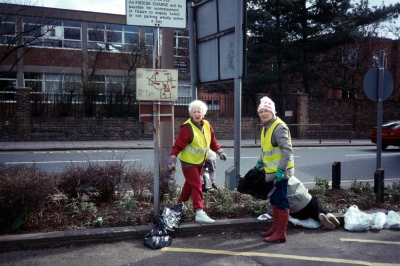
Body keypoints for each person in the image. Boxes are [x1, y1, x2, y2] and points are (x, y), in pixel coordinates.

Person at [168, 100, 227, 224]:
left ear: (203, 113)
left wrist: (220, 151)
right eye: (194, 111)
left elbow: (212, 142)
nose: (197, 114)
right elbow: (178, 145)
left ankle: (179, 205)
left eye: (199, 111)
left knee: (190, 185)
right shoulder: (187, 128)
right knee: (197, 184)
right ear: (190, 114)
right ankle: (199, 212)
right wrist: (172, 159)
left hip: (199, 161)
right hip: (188, 162)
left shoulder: (206, 125)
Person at [256, 96, 294, 243]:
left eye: (266, 111)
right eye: (261, 111)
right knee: (274, 199)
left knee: (281, 199)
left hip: (280, 173)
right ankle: (275, 227)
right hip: (271, 173)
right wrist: (261, 160)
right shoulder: (267, 126)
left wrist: (281, 170)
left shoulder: (278, 127)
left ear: (272, 112)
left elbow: (287, 150)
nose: (263, 114)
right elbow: (267, 148)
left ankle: (281, 232)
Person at [262, 176, 340, 230]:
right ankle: (327, 214)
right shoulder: (290, 176)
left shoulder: (274, 187)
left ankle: (319, 217)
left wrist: (268, 212)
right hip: (308, 201)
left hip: (298, 211)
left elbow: (273, 206)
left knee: (304, 211)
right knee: (316, 205)